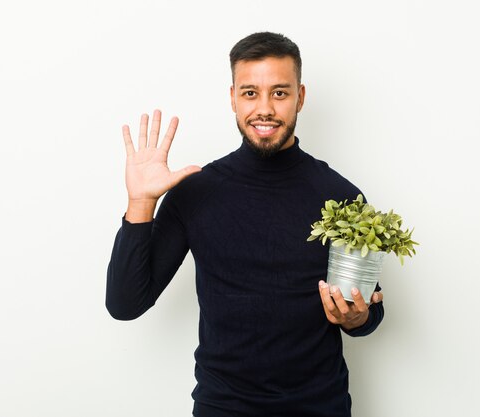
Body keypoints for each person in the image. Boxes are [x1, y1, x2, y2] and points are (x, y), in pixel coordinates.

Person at [106, 31, 384, 417]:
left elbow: (368, 310)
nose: (265, 108)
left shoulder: (341, 196)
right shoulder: (196, 192)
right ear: (233, 97)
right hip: (223, 407)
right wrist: (141, 203)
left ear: (300, 97)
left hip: (320, 406)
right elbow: (125, 304)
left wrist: (359, 318)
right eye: (251, 93)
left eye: (280, 93)